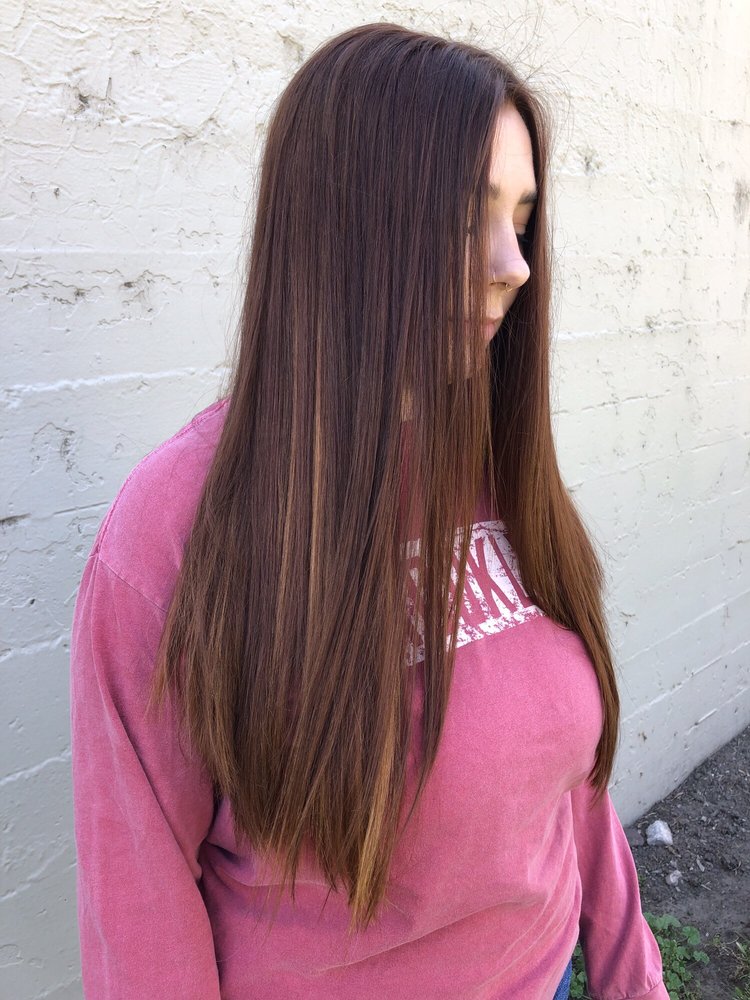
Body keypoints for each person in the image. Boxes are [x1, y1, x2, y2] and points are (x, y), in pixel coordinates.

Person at [69, 22, 669, 1000]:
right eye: (467, 216)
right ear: (343, 226)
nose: (515, 263)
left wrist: (633, 976)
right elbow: (141, 918)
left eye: (522, 218)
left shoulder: (496, 464)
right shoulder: (176, 533)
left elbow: (568, 785)